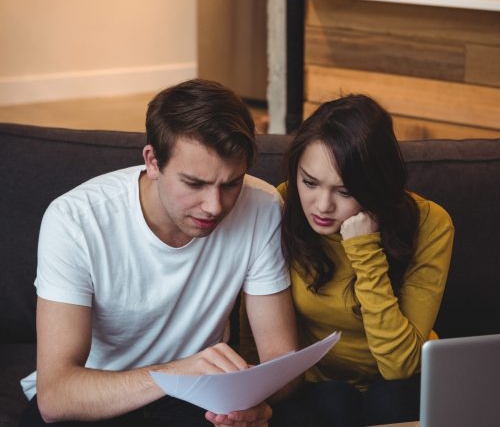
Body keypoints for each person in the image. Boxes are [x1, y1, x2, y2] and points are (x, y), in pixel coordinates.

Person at [20, 79, 299, 427]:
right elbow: (57, 395)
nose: (214, 206)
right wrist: (173, 374)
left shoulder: (261, 206)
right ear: (152, 161)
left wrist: (253, 402)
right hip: (96, 400)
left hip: (197, 400)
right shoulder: (75, 219)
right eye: (194, 184)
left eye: (231, 184)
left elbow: (281, 361)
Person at [245, 94, 454, 427]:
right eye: (310, 182)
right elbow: (254, 330)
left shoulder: (430, 224)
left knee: (390, 399)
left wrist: (365, 251)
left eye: (345, 191)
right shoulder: (280, 205)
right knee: (332, 401)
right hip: (318, 387)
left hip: (400, 382)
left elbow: (400, 366)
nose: (322, 206)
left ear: (376, 186)